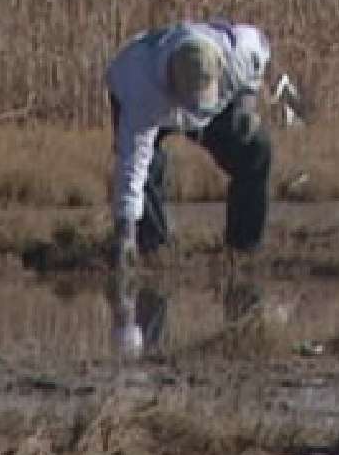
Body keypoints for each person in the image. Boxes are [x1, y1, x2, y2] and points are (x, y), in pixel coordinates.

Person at [105, 19, 272, 268]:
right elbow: (132, 167)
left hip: (218, 99)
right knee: (148, 168)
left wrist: (247, 104)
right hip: (143, 92)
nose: (194, 113)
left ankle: (243, 249)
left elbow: (261, 56)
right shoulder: (141, 94)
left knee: (255, 148)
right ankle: (152, 250)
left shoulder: (240, 53)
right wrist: (124, 233)